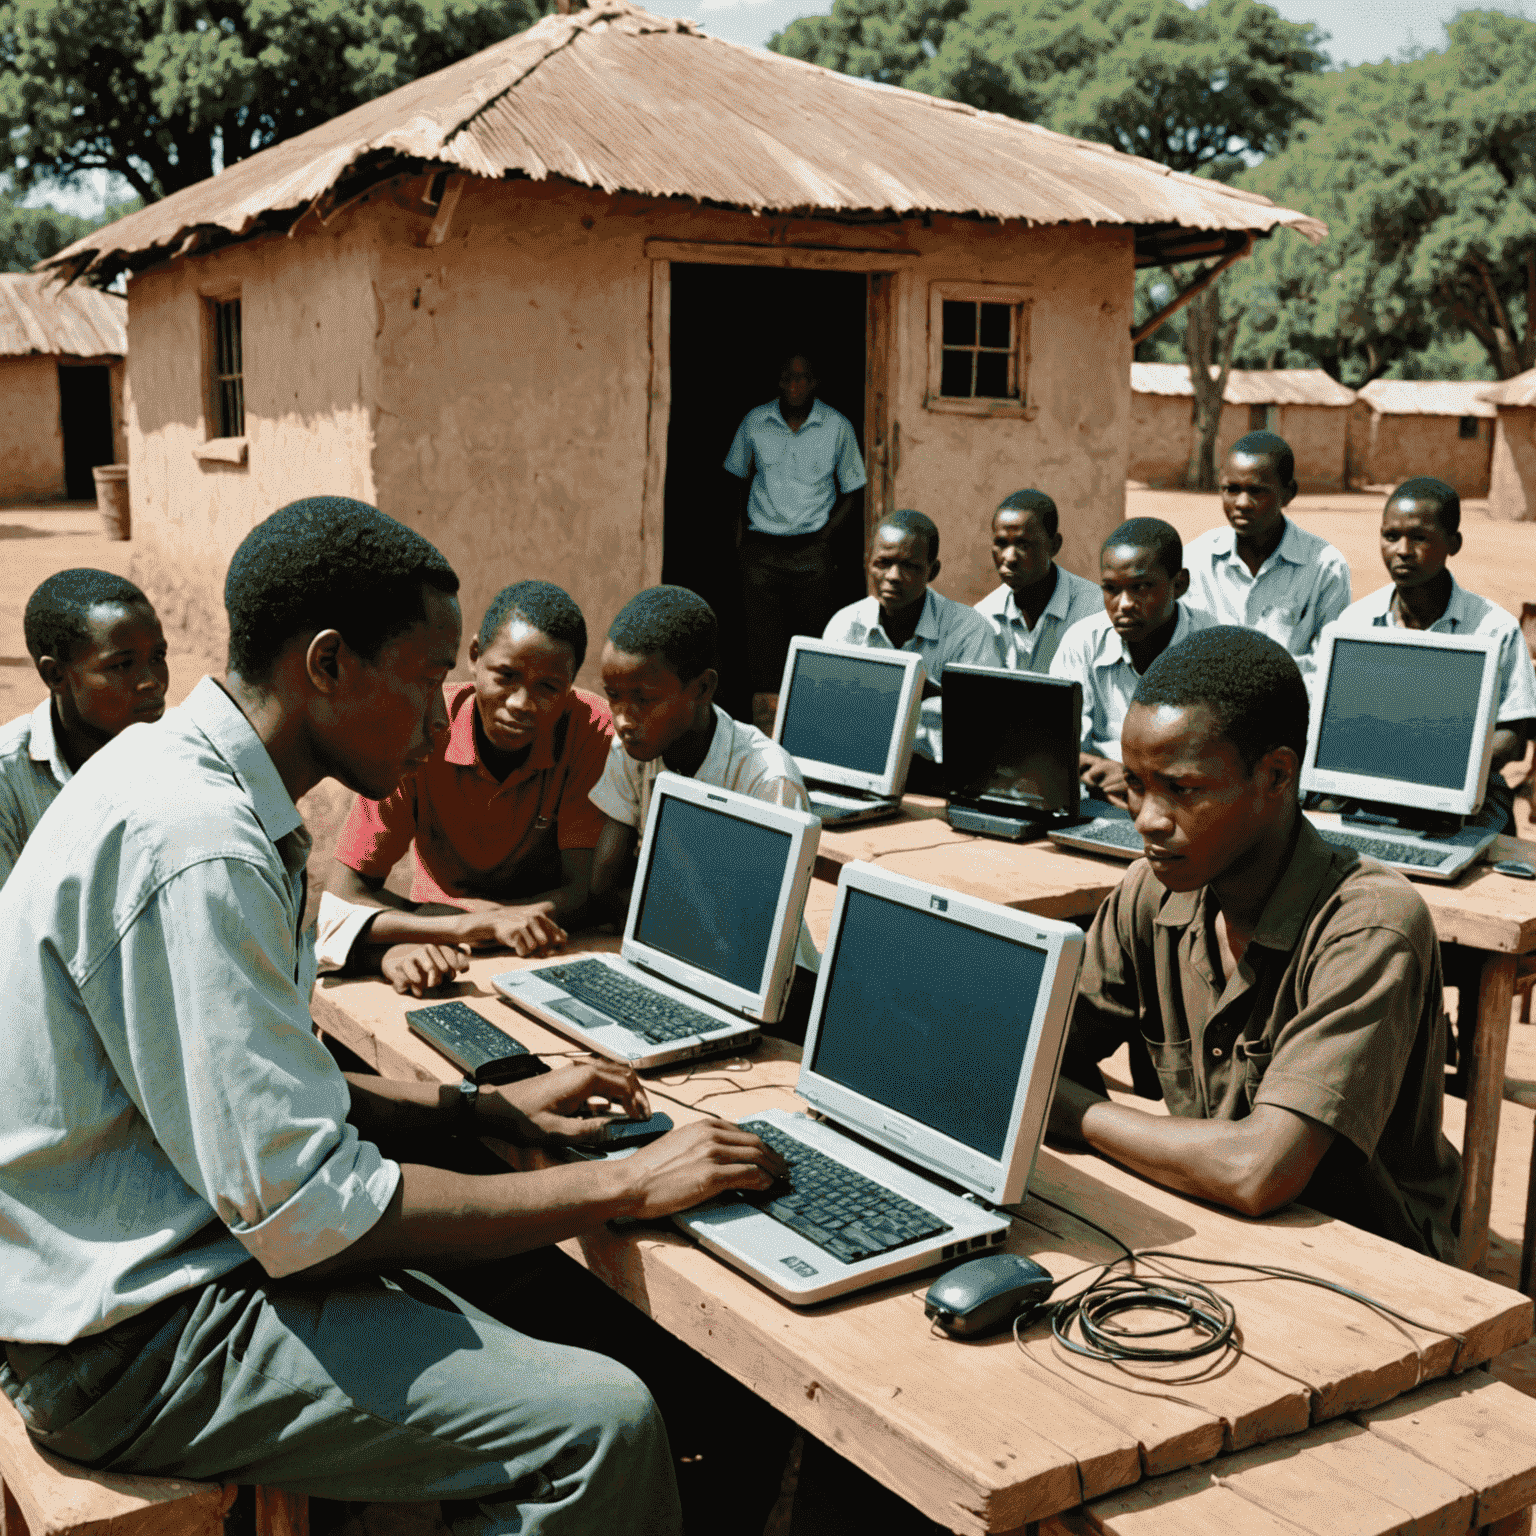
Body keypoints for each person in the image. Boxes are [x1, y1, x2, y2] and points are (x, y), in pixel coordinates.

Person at [0, 497, 785, 1535]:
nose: (440, 713)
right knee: (600, 1427)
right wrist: (621, 1178)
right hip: (129, 1338)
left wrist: (478, 1114)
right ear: (327, 665)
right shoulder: (200, 844)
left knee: (574, 1305)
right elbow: (311, 1218)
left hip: (169, 1252)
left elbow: (265, 1103)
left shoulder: (191, 787)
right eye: (427, 676)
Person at [1049, 626, 1461, 1261]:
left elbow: (1256, 1170)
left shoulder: (1370, 926)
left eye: (1181, 789)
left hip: (1362, 1261)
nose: (1147, 819)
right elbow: (1031, 1056)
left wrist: (1077, 1113)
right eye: (1134, 783)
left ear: (1276, 775)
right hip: (1208, 1223)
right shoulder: (1151, 892)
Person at [324, 581, 614, 994]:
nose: (520, 703)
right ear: (475, 657)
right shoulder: (423, 726)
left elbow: (579, 891)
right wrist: (456, 928)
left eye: (548, 687)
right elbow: (343, 893)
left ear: (569, 686)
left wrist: (485, 924)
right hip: (437, 939)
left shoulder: (589, 731)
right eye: (506, 676)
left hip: (546, 947)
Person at [588, 585, 812, 933]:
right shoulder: (631, 751)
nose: (623, 719)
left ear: (702, 689)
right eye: (613, 697)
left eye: (644, 699)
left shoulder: (766, 780)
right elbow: (604, 886)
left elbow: (762, 923)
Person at [1334, 476, 1536, 834]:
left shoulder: (1493, 628)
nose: (1402, 550)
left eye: (1420, 538)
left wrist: (1436, 763)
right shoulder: (1356, 623)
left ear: (1453, 544)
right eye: (1391, 536)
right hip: (1372, 785)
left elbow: (1513, 740)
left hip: (1467, 793)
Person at [0, 569, 168, 885]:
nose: (152, 682)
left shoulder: (186, 760)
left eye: (158, 656)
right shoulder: (8, 781)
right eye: (122, 665)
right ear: (55, 675)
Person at [724, 351, 867, 703]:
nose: (794, 385)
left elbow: (854, 489)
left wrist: (826, 537)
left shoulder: (837, 426)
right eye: (787, 377)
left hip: (812, 554)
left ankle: (810, 716)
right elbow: (734, 481)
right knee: (762, 645)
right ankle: (766, 723)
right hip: (761, 552)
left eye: (802, 378)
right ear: (778, 382)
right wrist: (739, 537)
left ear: (815, 383)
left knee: (816, 640)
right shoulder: (755, 422)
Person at [821, 508, 996, 780]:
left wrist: (930, 695)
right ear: (867, 562)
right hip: (861, 768)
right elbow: (831, 717)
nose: (893, 576)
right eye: (883, 563)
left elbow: (983, 721)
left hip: (945, 776)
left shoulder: (968, 630)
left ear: (932, 571)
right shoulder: (845, 626)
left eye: (910, 566)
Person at [1049, 517, 1215, 802]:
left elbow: (1218, 763)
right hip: (1101, 796)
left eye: (1141, 587)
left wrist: (1136, 780)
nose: (1124, 604)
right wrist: (1098, 770)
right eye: (1111, 589)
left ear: (1179, 584)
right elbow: (1055, 747)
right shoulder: (1083, 641)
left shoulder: (1213, 648)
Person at [1183, 431, 1351, 673]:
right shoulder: (1195, 560)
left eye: (1256, 491)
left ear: (1288, 493)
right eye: (1231, 489)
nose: (1241, 503)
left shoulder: (1325, 567)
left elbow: (1330, 664)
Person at [973, 489, 1101, 674]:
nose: (1009, 558)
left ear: (1054, 545)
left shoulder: (1095, 611)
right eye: (1001, 543)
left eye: (1023, 545)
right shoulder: (985, 617)